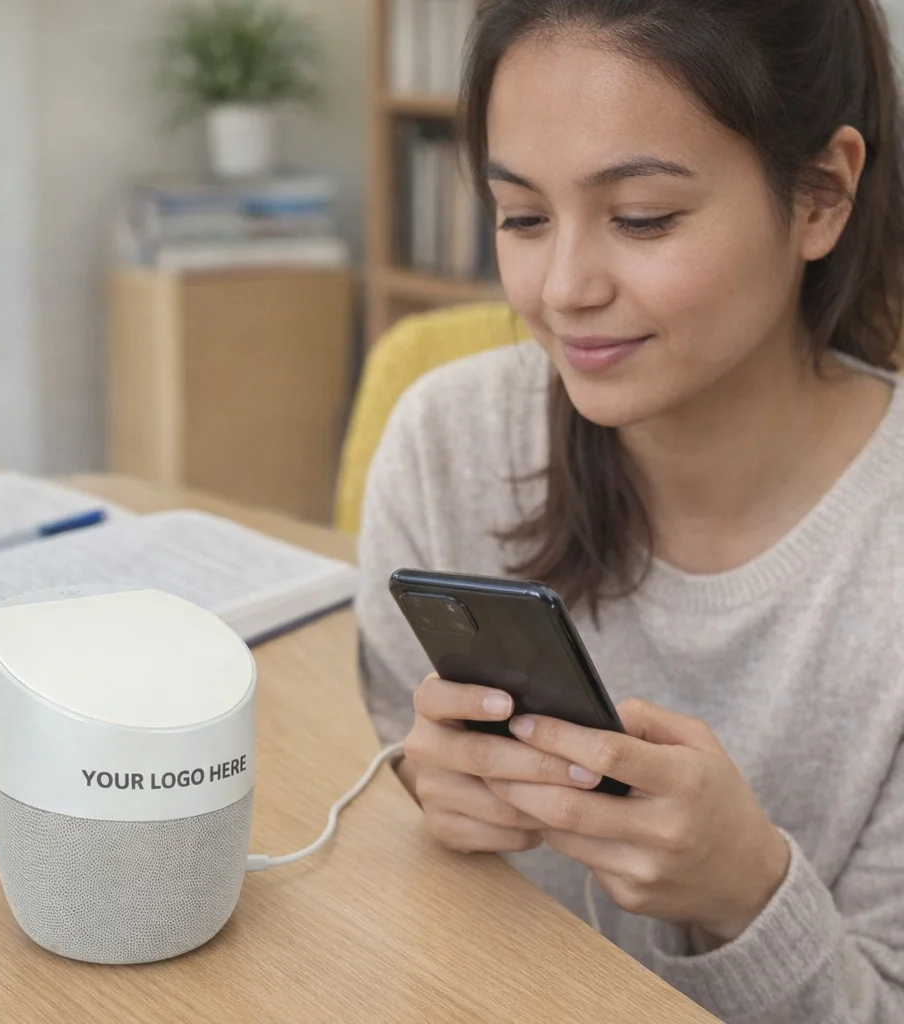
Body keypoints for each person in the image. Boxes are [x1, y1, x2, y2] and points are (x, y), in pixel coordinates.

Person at [354, 0, 904, 1020]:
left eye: (642, 216)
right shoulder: (447, 446)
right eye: (521, 216)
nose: (562, 288)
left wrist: (741, 896)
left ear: (821, 194)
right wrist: (421, 789)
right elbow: (375, 814)